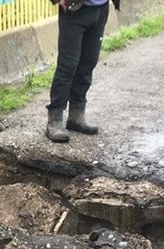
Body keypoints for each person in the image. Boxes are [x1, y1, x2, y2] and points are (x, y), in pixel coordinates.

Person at [46, 0, 120, 143]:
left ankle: (76, 115)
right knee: (68, 66)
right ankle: (54, 119)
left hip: (101, 9)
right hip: (75, 9)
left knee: (88, 62)